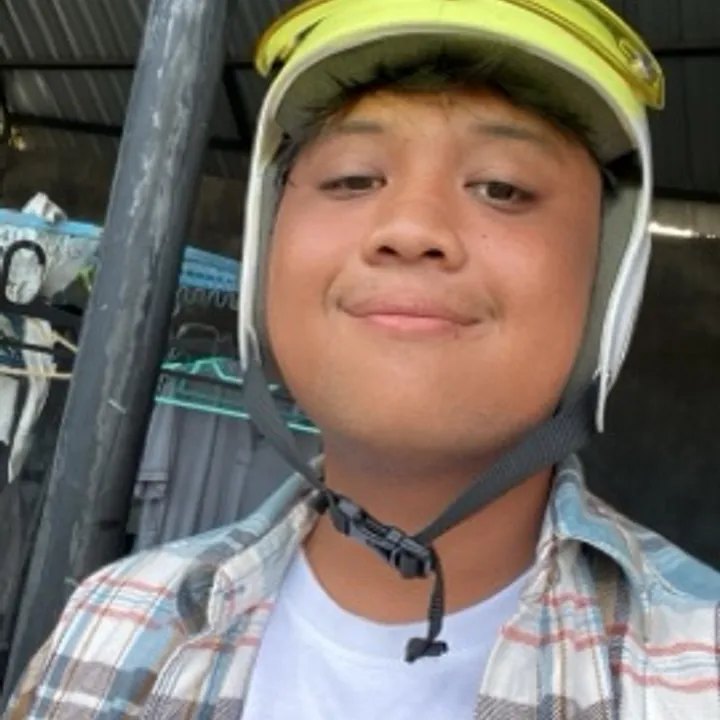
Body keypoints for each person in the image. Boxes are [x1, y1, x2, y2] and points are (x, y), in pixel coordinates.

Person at [6, 1, 720, 718]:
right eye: (351, 179)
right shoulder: (109, 623)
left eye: (502, 188)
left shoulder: (696, 671)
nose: (410, 228)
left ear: (608, 285)